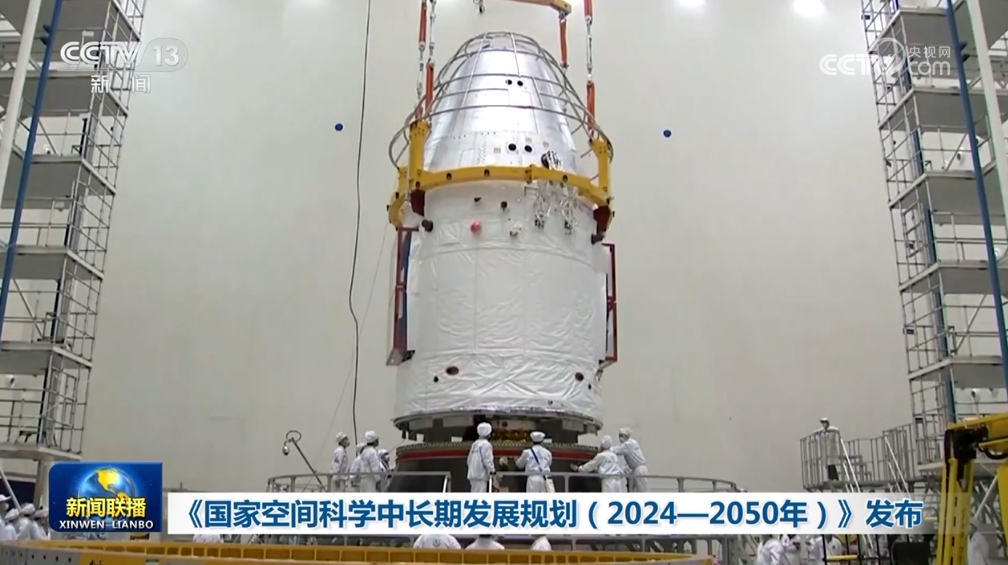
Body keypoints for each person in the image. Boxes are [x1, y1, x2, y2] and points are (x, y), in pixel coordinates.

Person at [612, 427, 650, 492]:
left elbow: (616, 450)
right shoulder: (630, 444)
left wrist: (604, 449)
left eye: (622, 436)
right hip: (635, 469)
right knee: (634, 489)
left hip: (639, 470)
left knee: (642, 489)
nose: (620, 438)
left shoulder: (629, 444)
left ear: (626, 436)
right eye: (619, 436)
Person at [467, 422, 496, 492]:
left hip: (473, 475)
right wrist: (492, 471)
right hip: (481, 476)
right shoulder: (486, 445)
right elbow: (488, 461)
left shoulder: (475, 444)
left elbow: (469, 460)